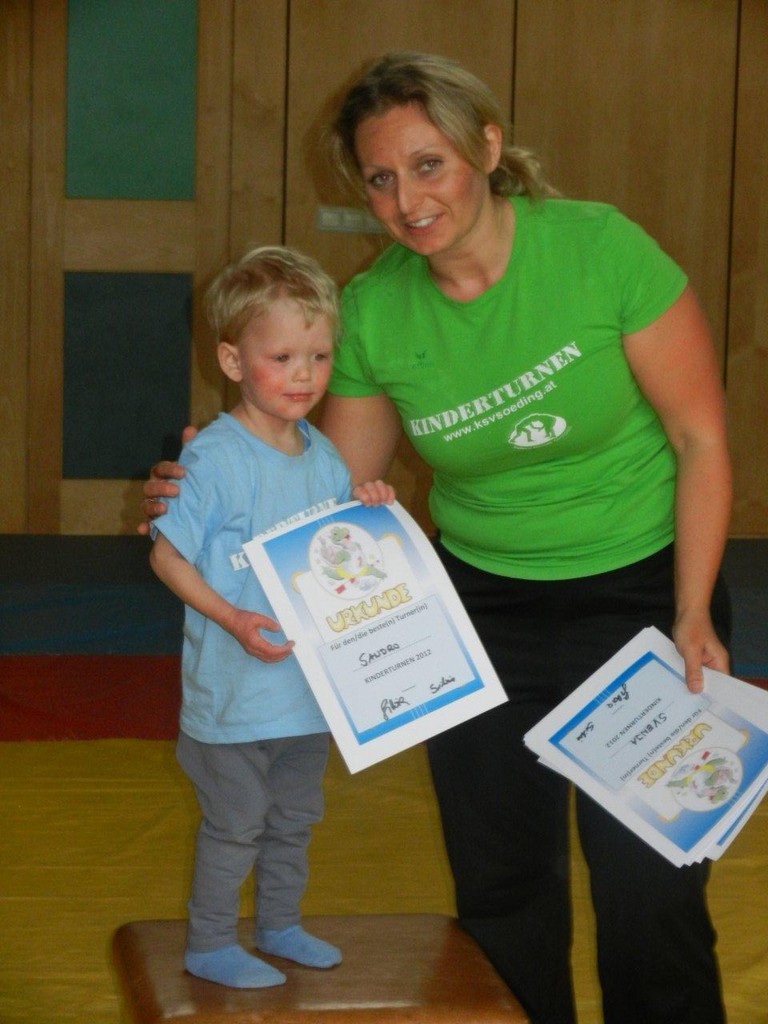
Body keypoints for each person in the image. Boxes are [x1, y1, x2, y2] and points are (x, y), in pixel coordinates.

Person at [141, 53, 734, 1024]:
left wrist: (695, 610)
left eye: (429, 165)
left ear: (486, 148)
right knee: (503, 894)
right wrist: (209, 480)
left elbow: (699, 437)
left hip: (642, 597)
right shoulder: (375, 310)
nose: (407, 201)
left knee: (651, 889)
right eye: (380, 178)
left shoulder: (600, 249)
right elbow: (318, 502)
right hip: (479, 613)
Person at [148, 245, 394, 989]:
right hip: (232, 700)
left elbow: (337, 557)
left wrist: (369, 508)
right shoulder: (217, 459)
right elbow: (166, 556)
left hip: (306, 693)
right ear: (232, 361)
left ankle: (280, 923)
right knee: (236, 824)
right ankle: (209, 942)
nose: (304, 375)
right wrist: (230, 618)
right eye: (281, 357)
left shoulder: (324, 457)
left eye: (319, 357)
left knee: (294, 820)